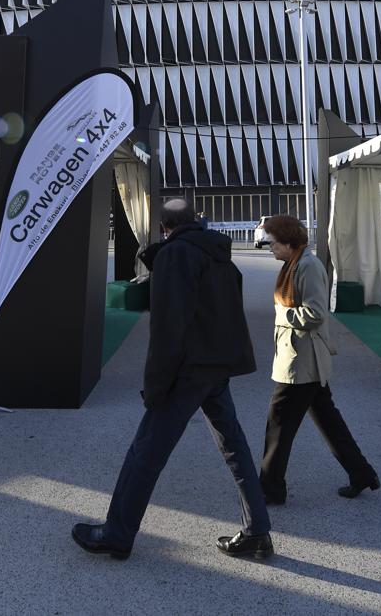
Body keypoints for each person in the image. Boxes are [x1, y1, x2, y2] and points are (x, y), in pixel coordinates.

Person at [73, 198, 272, 562]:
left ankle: (117, 533)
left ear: (164, 226)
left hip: (186, 370)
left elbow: (167, 329)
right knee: (235, 449)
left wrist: (155, 385)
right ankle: (258, 531)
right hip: (216, 367)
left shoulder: (175, 256)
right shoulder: (218, 253)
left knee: (144, 452)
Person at [259, 215, 379, 506]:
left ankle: (269, 490)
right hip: (301, 356)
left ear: (288, 242)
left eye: (273, 243)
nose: (270, 248)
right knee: (327, 419)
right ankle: (361, 473)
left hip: (303, 361)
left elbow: (315, 314)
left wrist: (282, 314)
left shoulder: (307, 266)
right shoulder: (294, 263)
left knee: (279, 424)